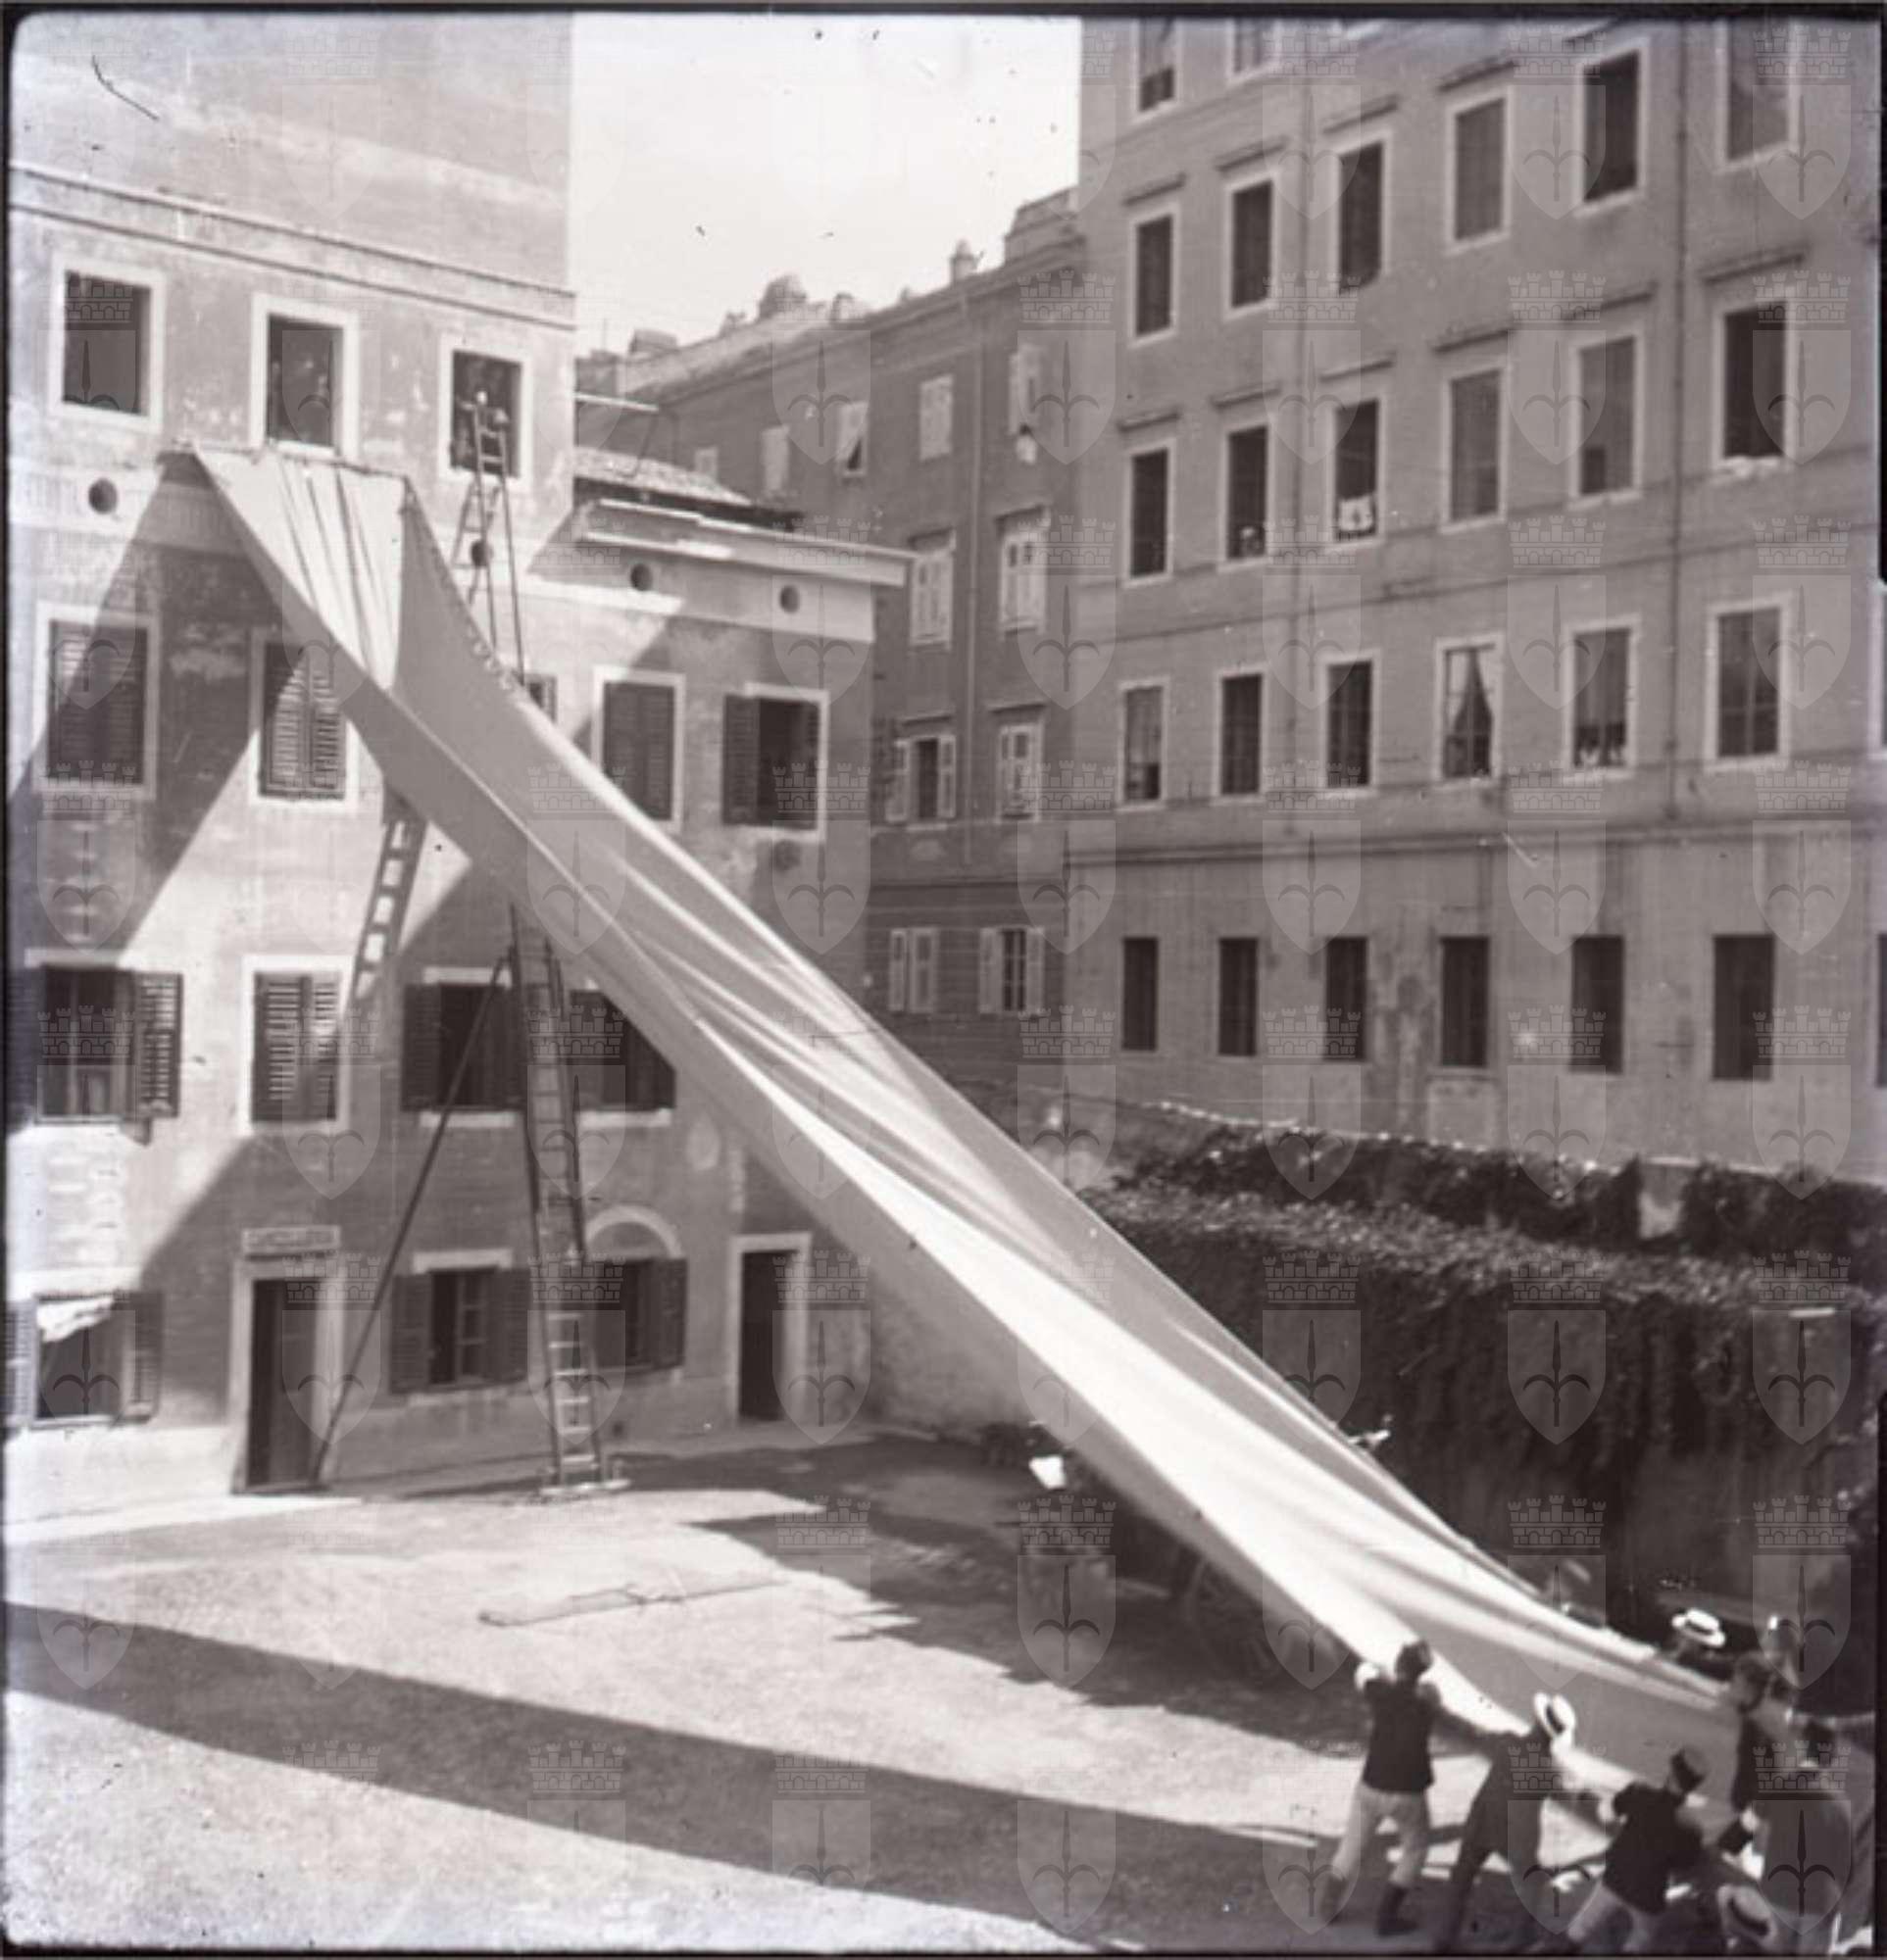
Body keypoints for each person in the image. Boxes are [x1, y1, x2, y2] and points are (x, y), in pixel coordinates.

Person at [1431, 1693, 1578, 1953]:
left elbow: (1478, 1735)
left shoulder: (1507, 1742)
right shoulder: (1548, 1768)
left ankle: (1444, 1936)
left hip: (1482, 1818)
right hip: (1514, 1832)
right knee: (1532, 1882)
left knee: (1463, 1874)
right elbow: (1565, 1794)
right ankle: (1520, 1937)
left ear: (1536, 1720)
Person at [1317, 1639, 1442, 1936]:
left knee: (1351, 1845)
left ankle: (1327, 1907)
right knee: (1415, 1849)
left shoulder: (1381, 1693)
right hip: (1409, 1792)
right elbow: (1431, 1697)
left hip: (1372, 1783)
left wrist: (1383, 1673)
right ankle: (1386, 1918)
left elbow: (1363, 1673)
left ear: (1398, 1665)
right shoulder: (1427, 1703)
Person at [1558, 1747, 1710, 1954]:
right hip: (1648, 1896)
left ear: (1671, 1772)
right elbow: (1684, 1866)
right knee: (1641, 1938)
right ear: (1694, 1786)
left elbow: (1605, 1814)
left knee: (1580, 1928)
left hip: (1615, 1878)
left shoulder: (1639, 1792)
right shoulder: (1692, 1828)